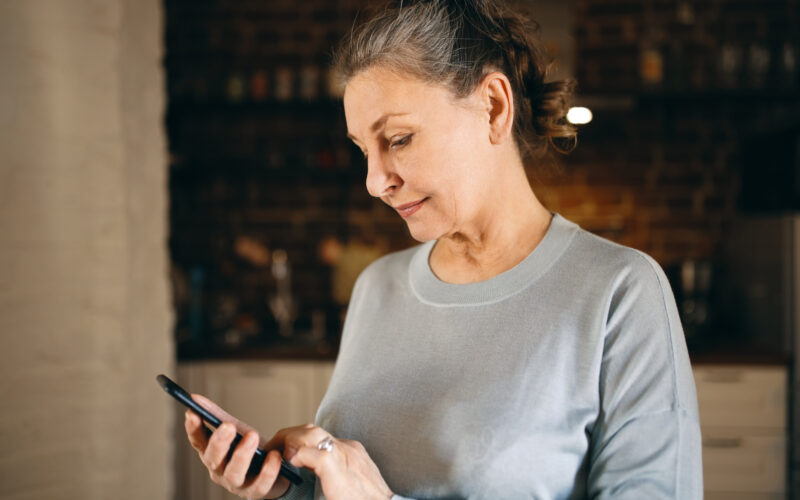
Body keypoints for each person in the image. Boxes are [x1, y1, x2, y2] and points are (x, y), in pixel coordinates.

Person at [182, 0, 703, 498]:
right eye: (364, 150)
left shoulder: (621, 292)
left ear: (494, 108)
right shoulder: (376, 288)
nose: (373, 181)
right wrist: (287, 486)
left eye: (399, 139)